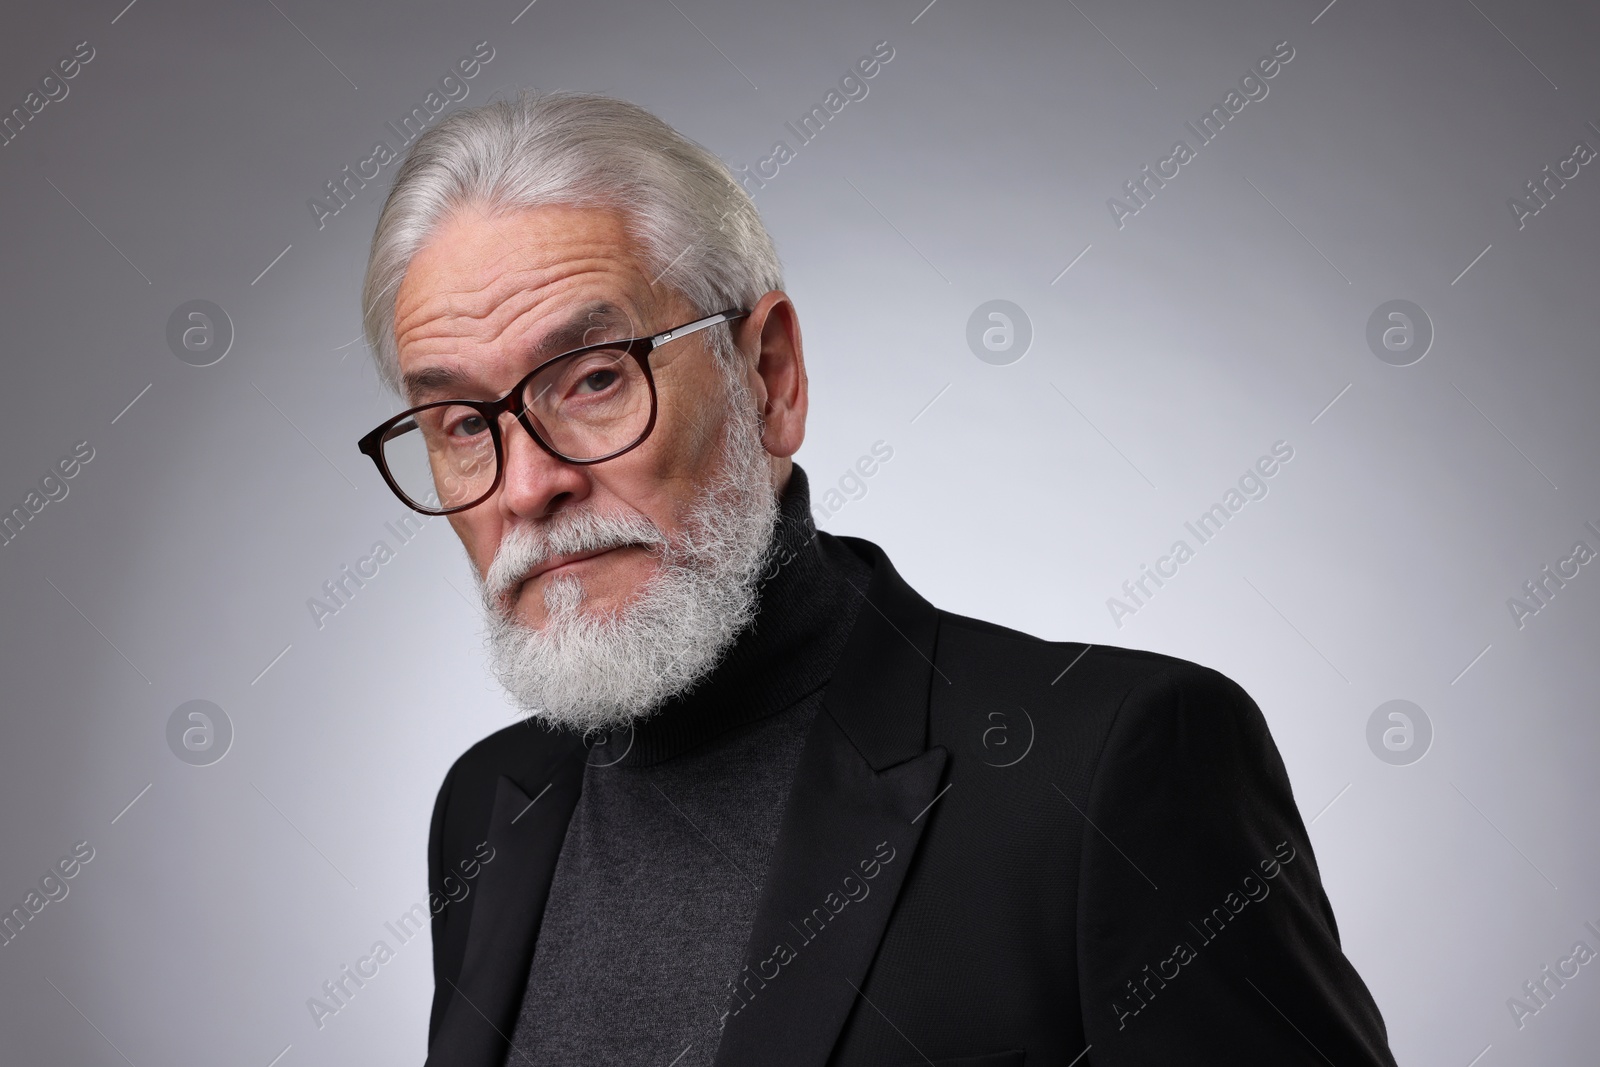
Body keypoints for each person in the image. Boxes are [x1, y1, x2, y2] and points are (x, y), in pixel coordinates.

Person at [355, 90, 1397, 1067]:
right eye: (460, 423)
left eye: (592, 379)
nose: (528, 484)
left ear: (767, 376)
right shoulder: (487, 805)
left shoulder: (1118, 768)